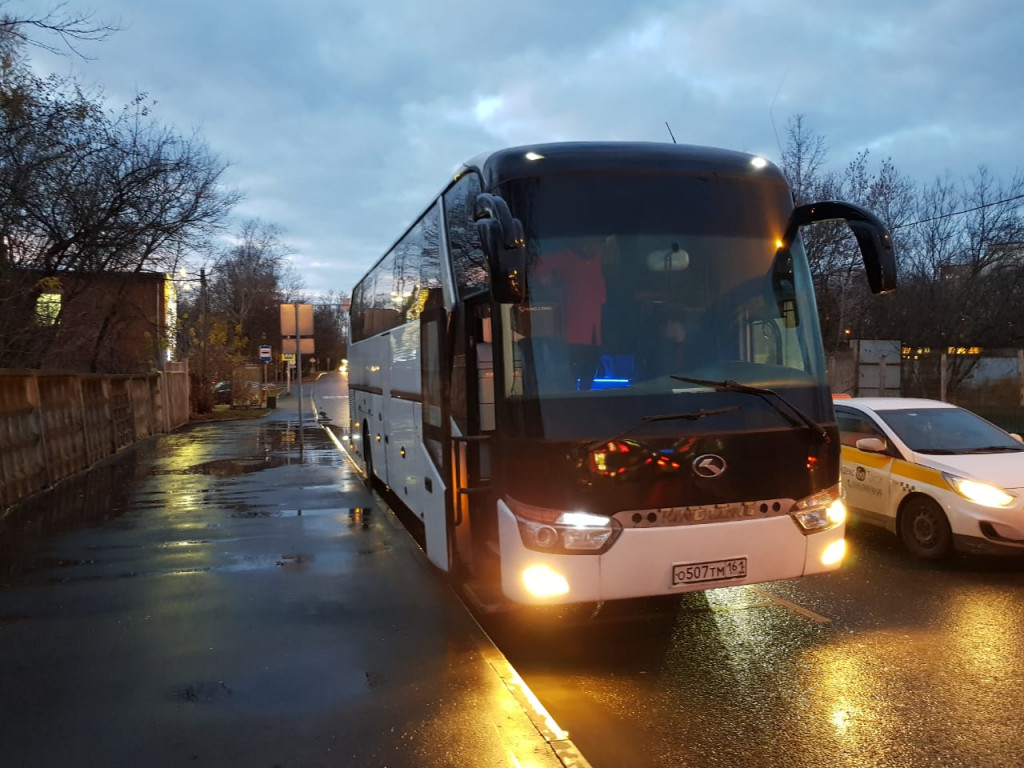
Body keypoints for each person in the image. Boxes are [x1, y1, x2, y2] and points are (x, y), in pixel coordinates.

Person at [533, 236, 607, 389]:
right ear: (578, 242)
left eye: (595, 243)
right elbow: (537, 261)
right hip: (573, 332)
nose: (591, 246)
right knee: (572, 374)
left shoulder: (599, 261)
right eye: (588, 242)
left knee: (590, 369)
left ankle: (584, 395)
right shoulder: (567, 259)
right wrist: (544, 280)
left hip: (596, 332)